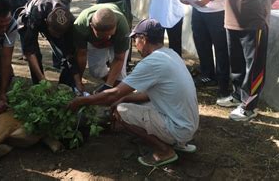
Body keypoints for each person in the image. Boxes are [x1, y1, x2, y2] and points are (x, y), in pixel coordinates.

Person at [68, 19, 199, 167]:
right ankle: (178, 142)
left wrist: (81, 101)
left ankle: (164, 150)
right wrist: (124, 98)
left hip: (178, 128)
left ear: (143, 38)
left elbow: (114, 94)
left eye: (135, 39)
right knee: (130, 103)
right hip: (189, 125)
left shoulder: (151, 63)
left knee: (122, 111)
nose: (135, 44)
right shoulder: (171, 54)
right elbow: (147, 96)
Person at [16, 0, 76, 86]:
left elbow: (72, 51)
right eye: (55, 33)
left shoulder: (70, 20)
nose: (57, 36)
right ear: (47, 25)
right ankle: (39, 84)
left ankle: (64, 84)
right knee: (35, 54)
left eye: (60, 33)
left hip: (51, 21)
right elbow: (30, 53)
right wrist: (42, 79)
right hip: (30, 16)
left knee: (68, 52)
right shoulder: (35, 16)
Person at [72, 2, 130, 93]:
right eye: (102, 35)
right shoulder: (80, 26)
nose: (108, 38)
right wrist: (78, 81)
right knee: (96, 71)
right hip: (94, 42)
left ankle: (116, 88)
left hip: (118, 39)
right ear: (92, 26)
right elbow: (81, 55)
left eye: (110, 34)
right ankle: (111, 85)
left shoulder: (122, 27)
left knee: (120, 77)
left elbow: (119, 58)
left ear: (115, 26)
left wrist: (108, 86)